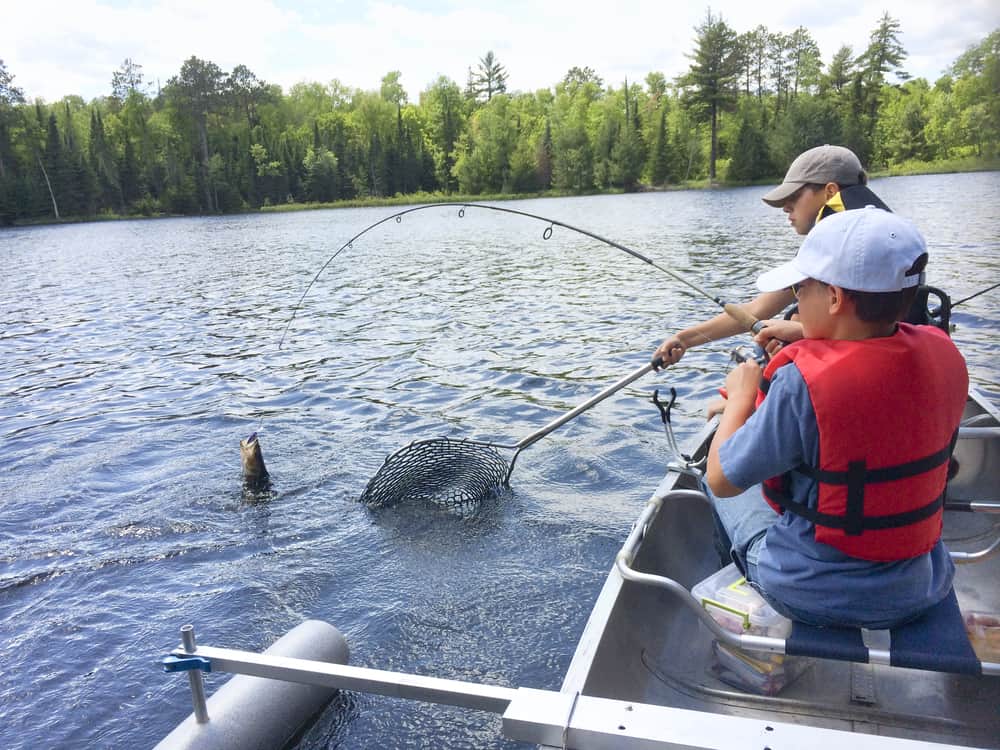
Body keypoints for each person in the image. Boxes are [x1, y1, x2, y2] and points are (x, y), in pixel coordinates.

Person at [704, 207, 968, 629]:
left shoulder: (798, 385)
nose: (794, 299)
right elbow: (875, 353)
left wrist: (741, 396)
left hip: (812, 592)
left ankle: (738, 595)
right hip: (922, 584)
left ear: (834, 298)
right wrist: (811, 336)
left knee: (712, 480)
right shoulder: (944, 353)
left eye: (798, 289)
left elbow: (723, 478)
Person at [652, 144, 890, 367]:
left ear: (830, 192)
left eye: (794, 196)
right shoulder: (885, 237)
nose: (785, 207)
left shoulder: (855, 250)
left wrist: (800, 330)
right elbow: (758, 309)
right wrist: (685, 339)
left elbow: (868, 330)